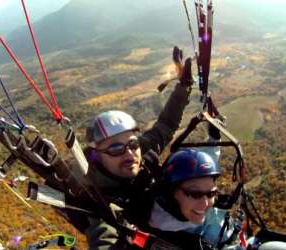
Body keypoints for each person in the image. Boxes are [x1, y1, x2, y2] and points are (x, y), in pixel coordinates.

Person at [65, 54, 195, 249]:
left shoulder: (141, 151)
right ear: (97, 155)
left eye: (132, 144)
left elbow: (165, 125)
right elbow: (104, 237)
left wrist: (183, 88)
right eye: (116, 148)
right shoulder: (98, 199)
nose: (129, 153)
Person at [140, 148, 286, 250]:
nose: (205, 203)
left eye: (211, 193)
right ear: (171, 193)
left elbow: (203, 160)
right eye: (196, 194)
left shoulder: (189, 208)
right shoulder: (160, 230)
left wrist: (214, 138)